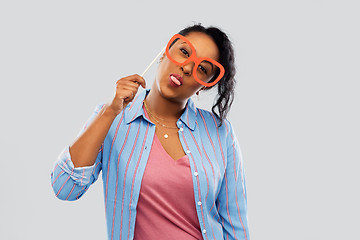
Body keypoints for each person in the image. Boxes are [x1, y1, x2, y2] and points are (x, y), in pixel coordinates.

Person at [51, 23, 250, 240]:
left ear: (204, 86)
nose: (186, 68)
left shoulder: (221, 133)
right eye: (184, 52)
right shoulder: (112, 118)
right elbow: (65, 188)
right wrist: (110, 112)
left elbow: (235, 225)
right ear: (166, 51)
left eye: (202, 69)